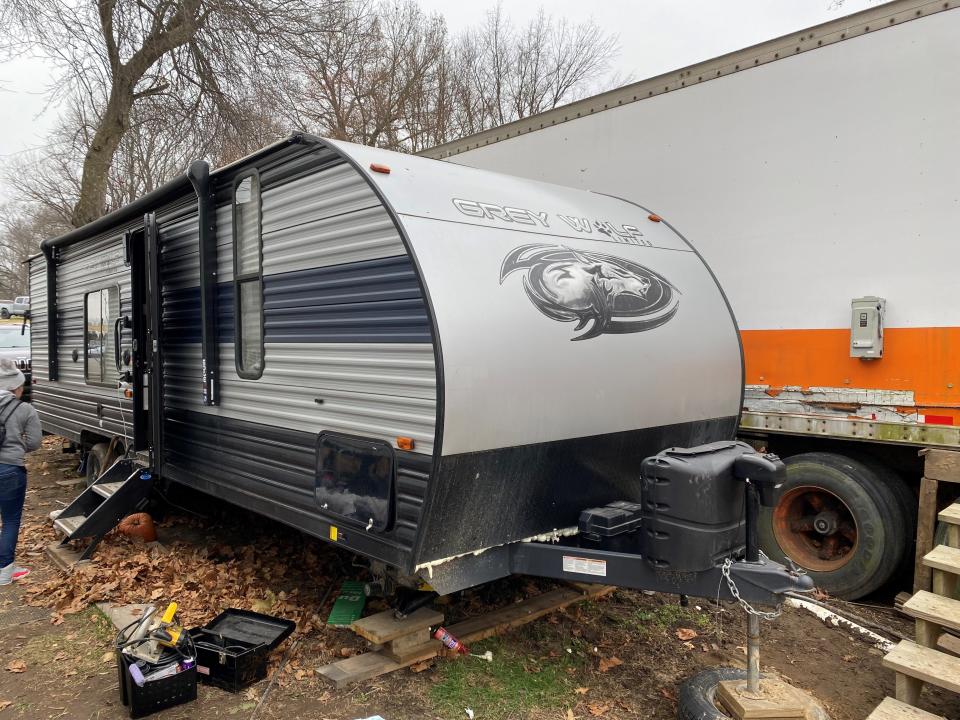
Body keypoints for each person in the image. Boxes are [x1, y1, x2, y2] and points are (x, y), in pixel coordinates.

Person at [0, 357, 42, 585]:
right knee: (10, 521)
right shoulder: (25, 409)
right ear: (16, 387)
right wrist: (17, 447)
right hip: (10, 470)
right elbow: (35, 442)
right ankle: (5, 573)